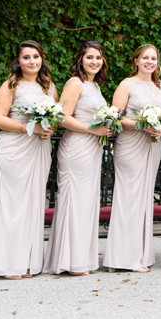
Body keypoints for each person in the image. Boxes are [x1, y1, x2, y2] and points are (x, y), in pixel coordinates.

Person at [0, 41, 59, 279]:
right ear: (18, 61)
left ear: (42, 59)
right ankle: (8, 264)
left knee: (33, 203)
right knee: (13, 203)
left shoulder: (49, 87)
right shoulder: (10, 85)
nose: (32, 61)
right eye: (26, 57)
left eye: (36, 56)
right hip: (14, 149)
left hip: (39, 148)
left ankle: (27, 261)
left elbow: (55, 117)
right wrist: (30, 127)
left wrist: (49, 129)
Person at [44, 40, 112, 276]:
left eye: (98, 57)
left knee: (86, 202)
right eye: (89, 57)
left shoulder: (95, 87)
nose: (94, 61)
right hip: (76, 147)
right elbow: (62, 118)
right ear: (80, 59)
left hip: (92, 149)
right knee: (74, 200)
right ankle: (69, 261)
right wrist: (94, 130)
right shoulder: (75, 83)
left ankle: (80, 258)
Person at [103, 44, 161, 273]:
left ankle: (139, 255)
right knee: (128, 196)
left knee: (143, 198)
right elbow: (115, 118)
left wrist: (160, 128)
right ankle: (122, 258)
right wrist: (142, 125)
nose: (149, 62)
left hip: (152, 145)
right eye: (145, 58)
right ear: (137, 60)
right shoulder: (126, 84)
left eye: (153, 58)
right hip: (131, 145)